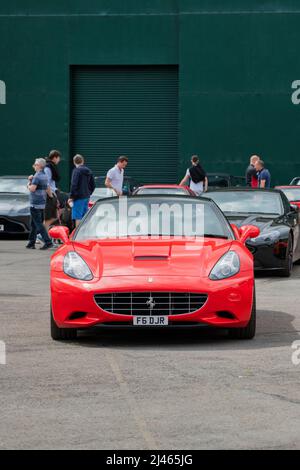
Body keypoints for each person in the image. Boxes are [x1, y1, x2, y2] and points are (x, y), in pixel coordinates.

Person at [26, 158, 54, 250]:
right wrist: (51, 196)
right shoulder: (44, 176)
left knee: (38, 224)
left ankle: (48, 242)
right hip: (42, 203)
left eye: (35, 164)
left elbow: (32, 189)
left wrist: (28, 183)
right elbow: (47, 188)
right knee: (33, 224)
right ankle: (31, 243)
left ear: (39, 166)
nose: (33, 166)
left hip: (35, 203)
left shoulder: (37, 176)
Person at [68, 154, 95, 227]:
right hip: (86, 197)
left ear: (74, 162)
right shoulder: (89, 171)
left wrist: (71, 197)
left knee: (78, 217)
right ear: (83, 161)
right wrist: (89, 193)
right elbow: (93, 185)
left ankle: (78, 237)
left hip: (78, 197)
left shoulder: (76, 171)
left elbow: (74, 185)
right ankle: (85, 234)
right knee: (85, 217)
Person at [44, 150, 61, 231]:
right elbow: (46, 183)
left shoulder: (51, 167)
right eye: (58, 158)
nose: (59, 160)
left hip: (53, 192)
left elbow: (51, 182)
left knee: (55, 216)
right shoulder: (48, 168)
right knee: (50, 217)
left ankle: (43, 234)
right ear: (54, 157)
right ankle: (41, 235)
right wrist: (51, 195)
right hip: (49, 194)